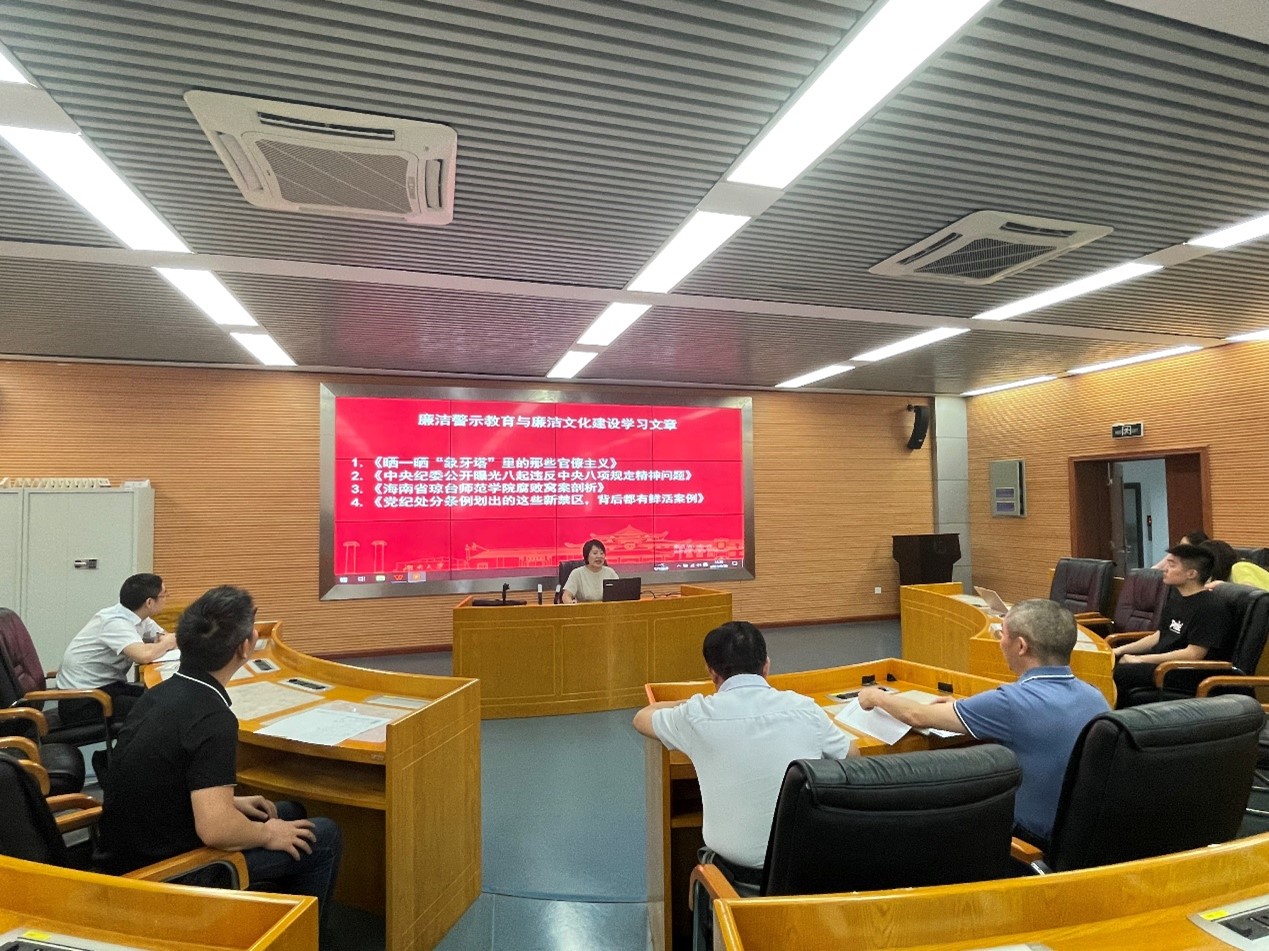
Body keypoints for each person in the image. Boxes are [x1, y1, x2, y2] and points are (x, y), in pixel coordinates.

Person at [99, 586, 343, 942]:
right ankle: (299, 940)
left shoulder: (161, 693)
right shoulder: (212, 718)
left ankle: (264, 922)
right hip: (167, 875)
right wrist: (266, 834)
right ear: (245, 647)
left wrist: (232, 803)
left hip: (126, 853)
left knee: (287, 811)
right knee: (324, 836)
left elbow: (164, 778)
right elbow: (216, 830)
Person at [860, 599, 1108, 846]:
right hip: (1084, 835)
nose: (1000, 642)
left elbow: (916, 716)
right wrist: (966, 707)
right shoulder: (1096, 696)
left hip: (1028, 837)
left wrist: (876, 696)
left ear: (1021, 646)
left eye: (1002, 634)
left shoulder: (1009, 702)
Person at [633, 620, 855, 889]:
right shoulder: (806, 708)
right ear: (766, 665)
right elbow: (852, 756)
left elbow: (642, 718)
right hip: (808, 874)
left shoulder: (696, 715)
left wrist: (686, 702)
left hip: (734, 880)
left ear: (712, 673)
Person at [1113, 542, 1234, 707]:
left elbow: (1193, 654)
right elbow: (1160, 635)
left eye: (1172, 565)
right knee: (1110, 662)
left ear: (1191, 573)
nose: (1165, 569)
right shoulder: (1177, 598)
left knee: (1120, 672)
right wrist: (1120, 650)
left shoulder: (1211, 607)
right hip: (1165, 666)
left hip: (1186, 672)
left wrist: (1141, 660)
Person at [55, 573, 177, 727]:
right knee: (160, 708)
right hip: (83, 701)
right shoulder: (114, 622)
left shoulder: (139, 618)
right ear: (149, 602)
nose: (167, 597)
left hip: (108, 688)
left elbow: (166, 638)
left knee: (162, 696)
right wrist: (165, 643)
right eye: (164, 594)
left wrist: (165, 642)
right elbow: (143, 655)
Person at [560, 538, 618, 603]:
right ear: (587, 556)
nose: (599, 556)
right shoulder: (577, 573)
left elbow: (619, 593)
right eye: (595, 553)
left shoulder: (610, 572)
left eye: (602, 553)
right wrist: (570, 603)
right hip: (583, 608)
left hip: (607, 608)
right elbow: (566, 596)